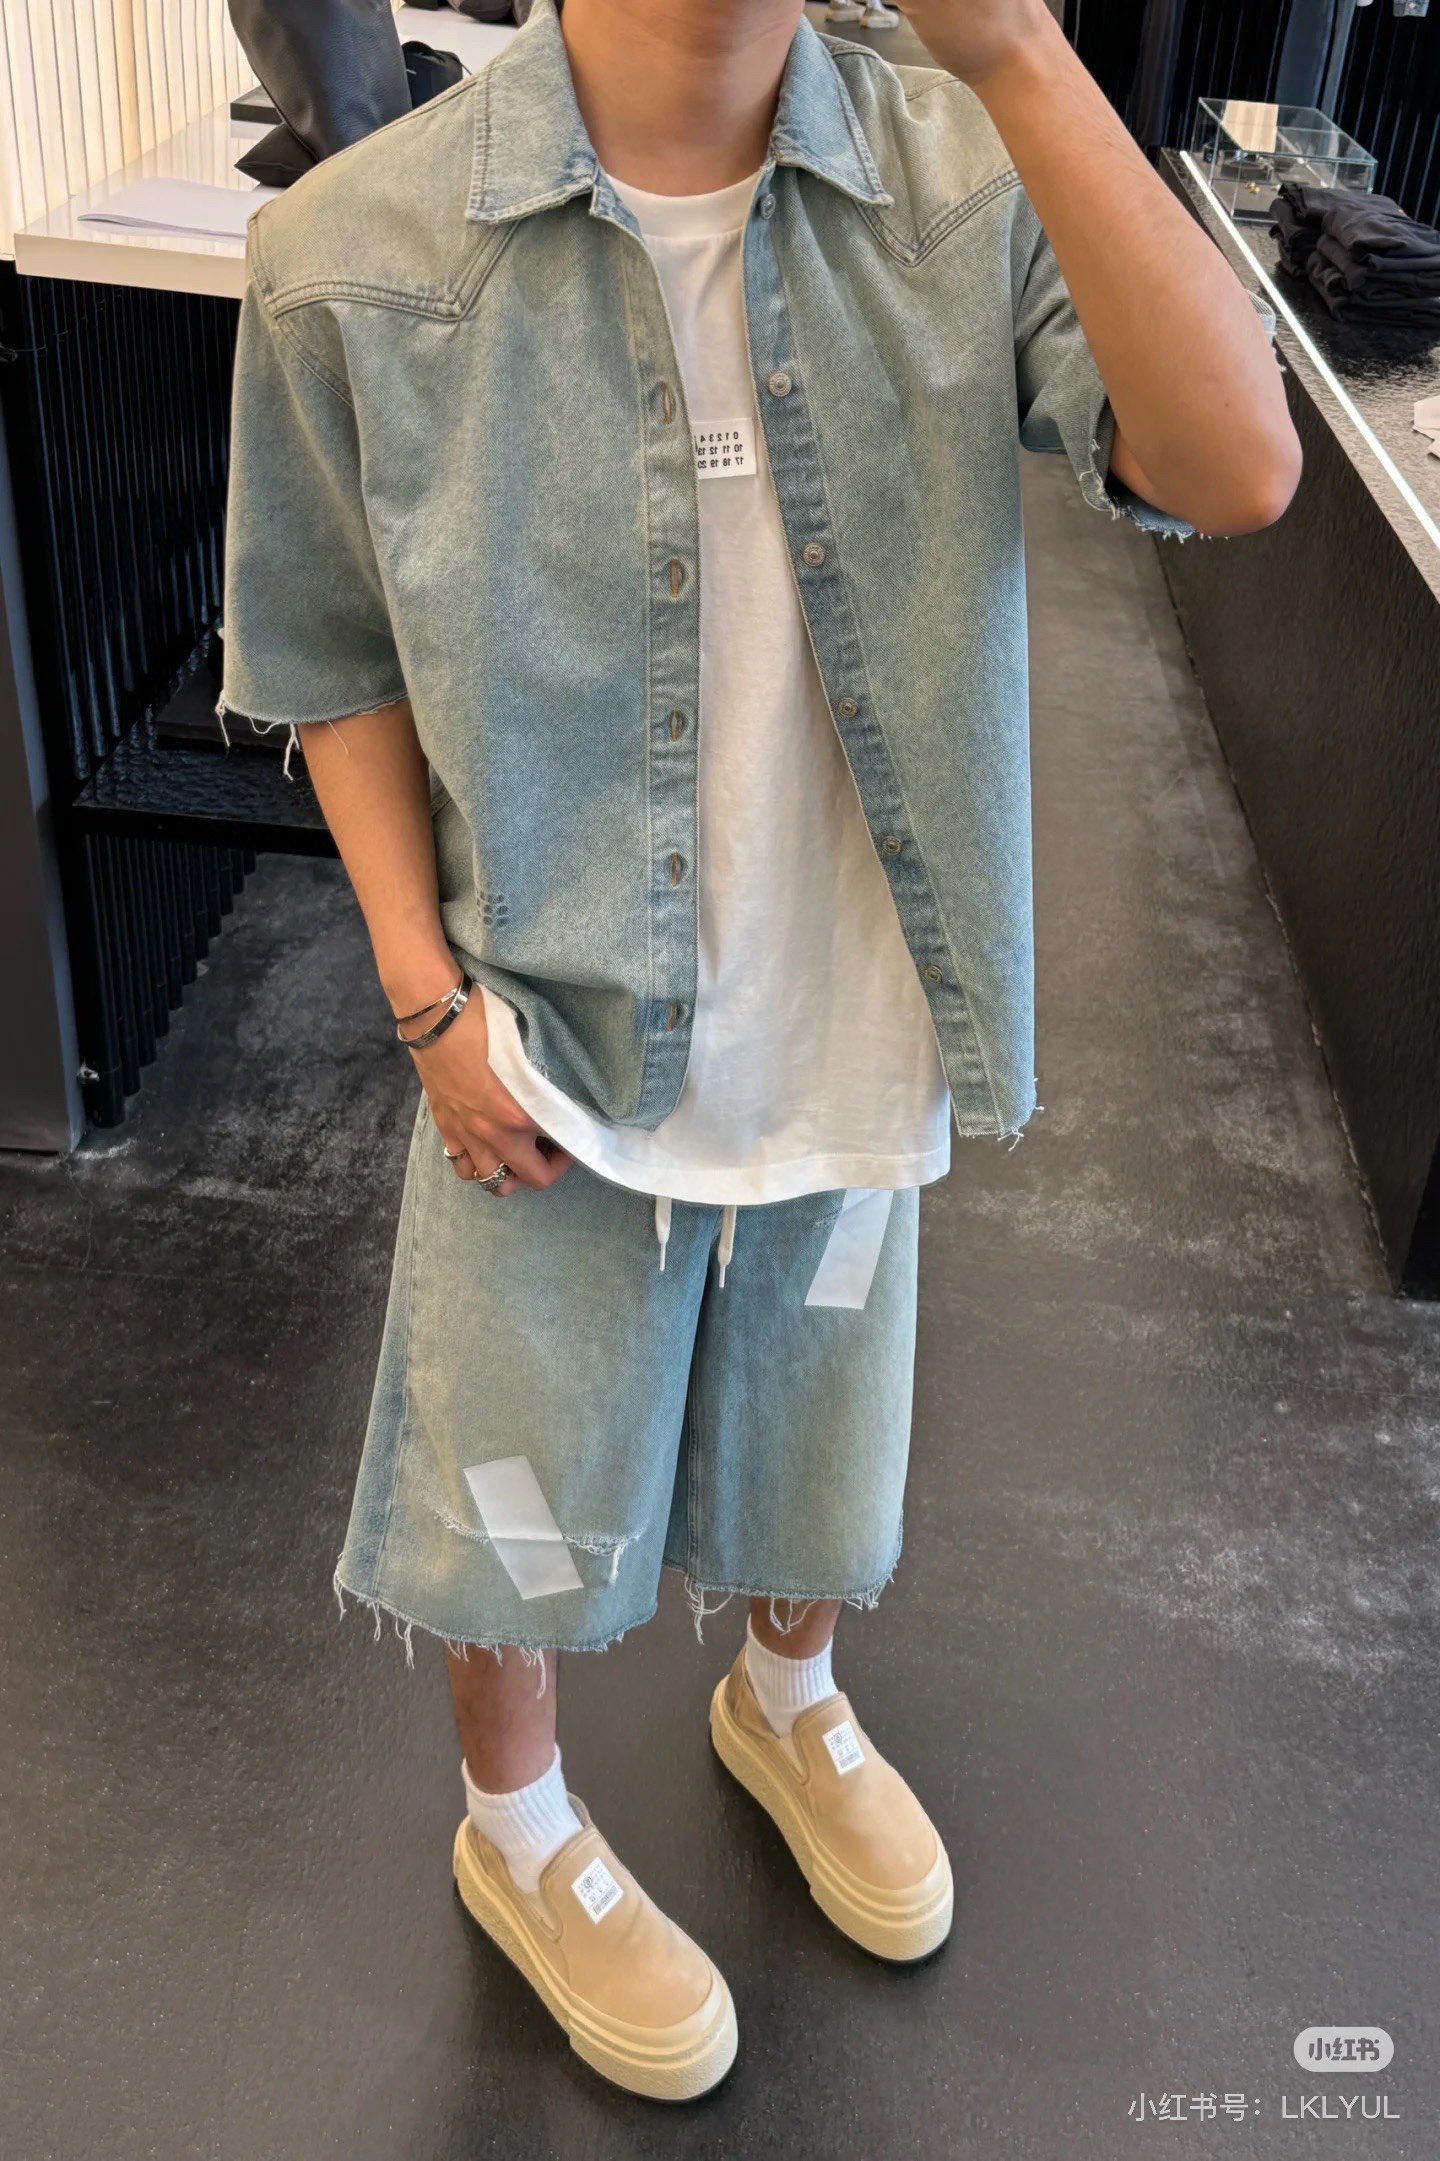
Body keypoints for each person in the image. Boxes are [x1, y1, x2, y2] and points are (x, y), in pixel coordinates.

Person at [217, 0, 1299, 2102]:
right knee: (512, 1463)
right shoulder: (351, 251)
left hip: (856, 1003)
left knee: (824, 1432)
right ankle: (516, 1819)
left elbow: (1238, 465)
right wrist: (423, 998)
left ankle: (787, 1700)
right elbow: (325, 652)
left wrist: (1020, 59)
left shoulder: (957, 181)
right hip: (548, 1029)